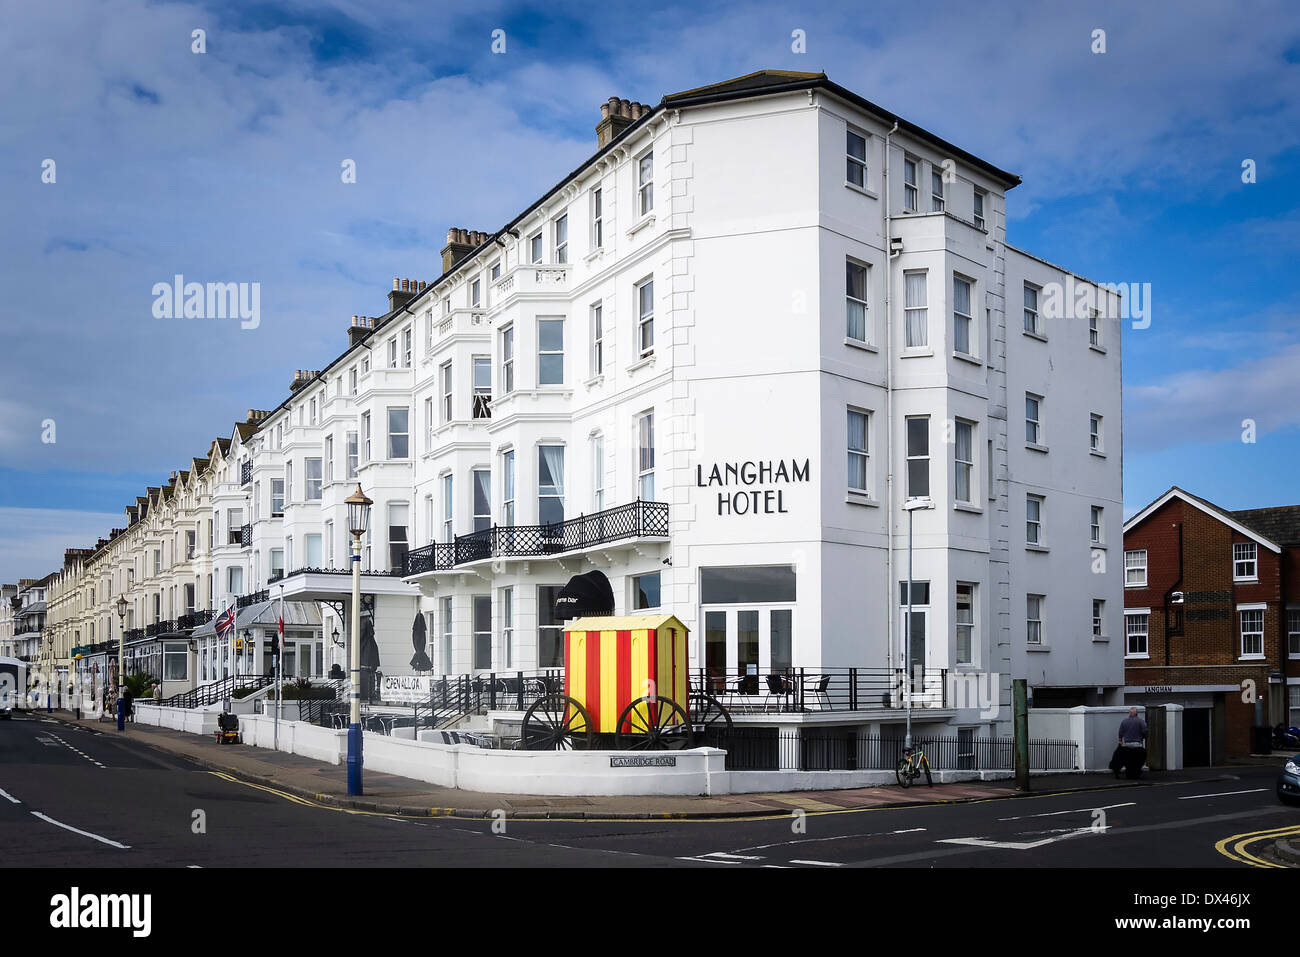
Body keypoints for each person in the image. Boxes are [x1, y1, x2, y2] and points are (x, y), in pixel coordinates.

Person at [1111, 707, 1148, 779]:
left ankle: (1127, 774)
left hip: (1127, 745)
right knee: (1137, 762)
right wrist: (1143, 737)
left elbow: (1120, 732)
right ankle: (1135, 774)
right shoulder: (1141, 721)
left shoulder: (1124, 721)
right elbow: (1145, 731)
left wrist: (1120, 740)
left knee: (1128, 762)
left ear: (1130, 713)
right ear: (1137, 713)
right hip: (1137, 745)